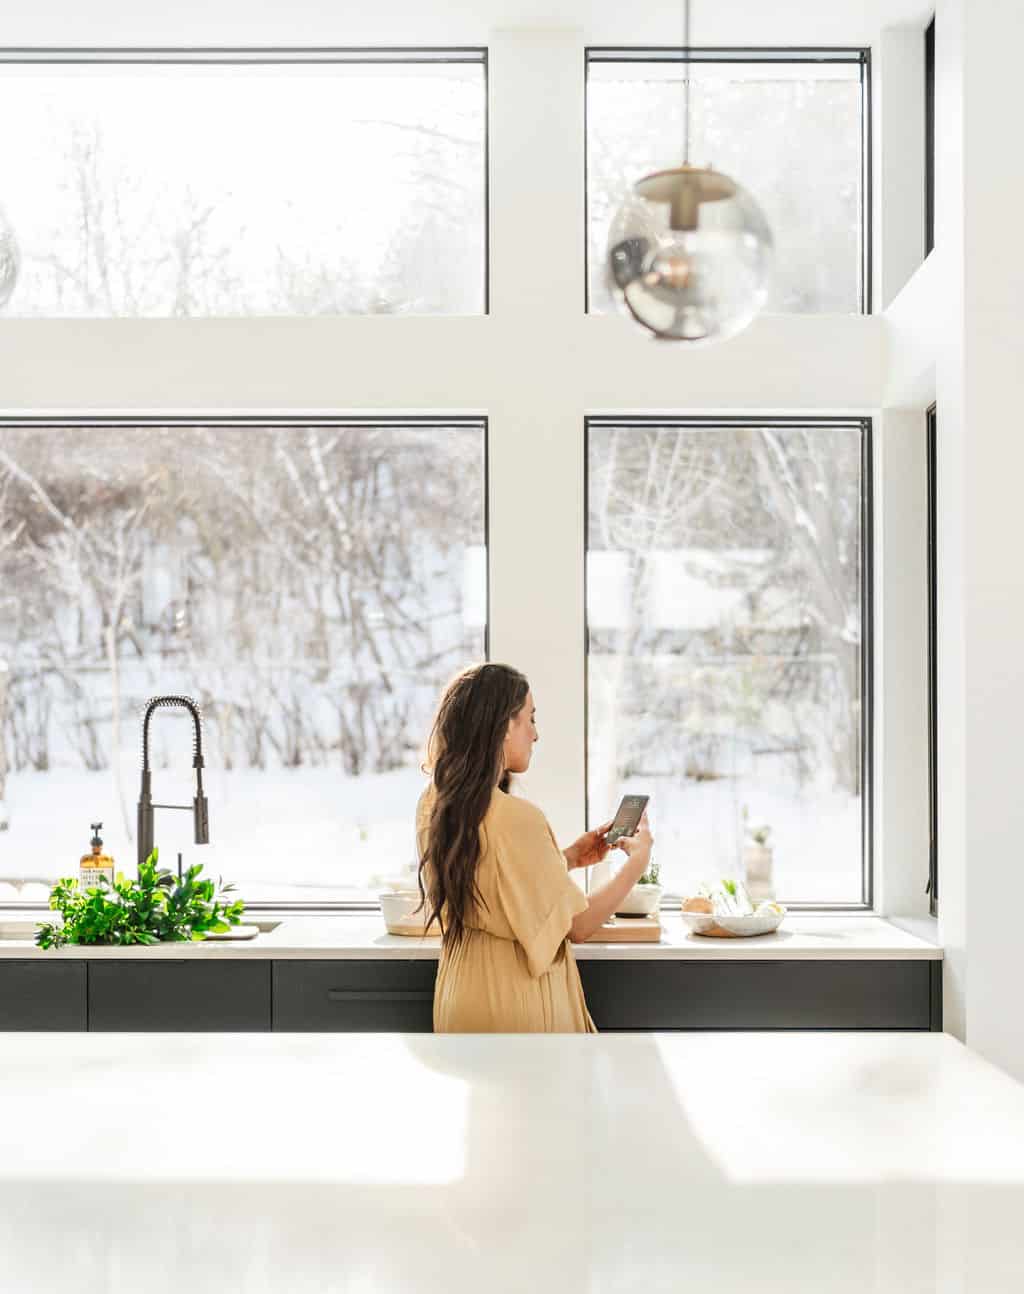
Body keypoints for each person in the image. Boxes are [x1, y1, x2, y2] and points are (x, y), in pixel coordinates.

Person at [415, 662, 654, 1033]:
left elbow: (492, 880)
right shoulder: (518, 819)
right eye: (530, 719)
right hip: (513, 1000)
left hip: (458, 992)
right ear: (502, 726)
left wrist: (570, 858)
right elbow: (578, 925)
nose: (536, 734)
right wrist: (635, 865)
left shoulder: (435, 804)